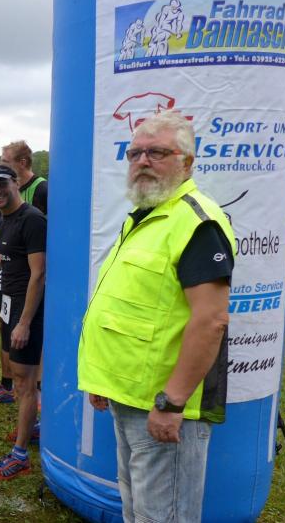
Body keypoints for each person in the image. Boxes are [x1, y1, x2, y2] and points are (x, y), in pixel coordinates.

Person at [79, 110, 234, 521]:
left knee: (162, 516)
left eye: (157, 153)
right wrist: (103, 382)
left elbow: (211, 320)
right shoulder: (145, 217)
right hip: (129, 397)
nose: (142, 161)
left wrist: (172, 401)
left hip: (162, 407)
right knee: (138, 511)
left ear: (187, 162)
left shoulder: (196, 223)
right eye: (135, 153)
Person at [0, 163, 46, 480]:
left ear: (16, 183)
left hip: (25, 309)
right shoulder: (4, 217)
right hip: (9, 304)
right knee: (19, 377)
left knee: (24, 380)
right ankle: (33, 427)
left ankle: (20, 456)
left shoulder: (32, 219)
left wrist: (24, 322)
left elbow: (39, 274)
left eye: (1, 185)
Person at [0, 140, 47, 406]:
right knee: (5, 328)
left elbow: (46, 240)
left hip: (29, 280)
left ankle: (35, 392)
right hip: (7, 277)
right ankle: (7, 384)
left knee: (29, 337)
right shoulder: (2, 201)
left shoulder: (41, 190)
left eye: (6, 162)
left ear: (20, 166)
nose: (1, 166)